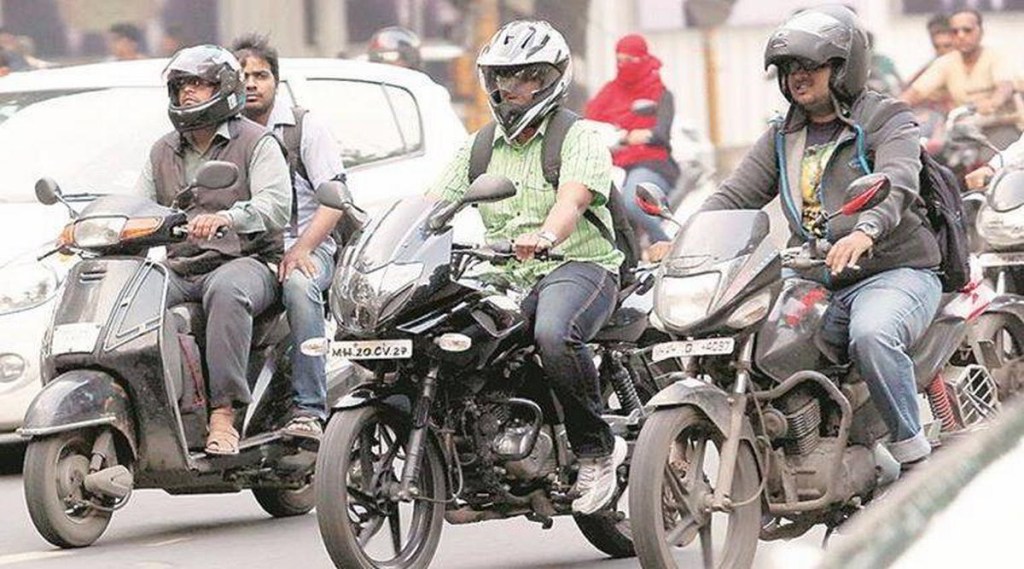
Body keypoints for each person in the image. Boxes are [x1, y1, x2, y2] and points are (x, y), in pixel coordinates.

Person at [698, 6, 940, 467]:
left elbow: (899, 180)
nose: (798, 76)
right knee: (744, 337)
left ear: (844, 68)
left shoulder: (886, 118)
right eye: (789, 67)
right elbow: (735, 195)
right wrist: (686, 238)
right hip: (814, 274)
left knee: (871, 335)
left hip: (892, 269)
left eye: (810, 65)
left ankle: (912, 453)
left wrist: (866, 230)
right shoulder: (783, 134)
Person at [428, 20, 627, 514]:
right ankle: (473, 450)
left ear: (550, 79)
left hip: (578, 264)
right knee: (441, 334)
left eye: (525, 76)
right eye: (502, 76)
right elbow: (432, 205)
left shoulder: (577, 137)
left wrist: (545, 236)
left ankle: (596, 449)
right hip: (506, 276)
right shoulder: (479, 147)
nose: (510, 87)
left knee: (554, 333)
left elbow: (572, 201)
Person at [135, 45, 292, 455]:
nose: (188, 92)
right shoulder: (161, 150)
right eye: (181, 85)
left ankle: (224, 412)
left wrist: (228, 218)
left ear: (223, 88)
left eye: (199, 84)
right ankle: (148, 404)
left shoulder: (257, 142)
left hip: (247, 261)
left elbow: (276, 206)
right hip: (183, 265)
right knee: (133, 294)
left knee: (227, 291)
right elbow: (139, 207)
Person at [231, 33, 347, 438]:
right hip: (251, 256)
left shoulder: (304, 128)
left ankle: (308, 409)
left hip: (308, 248)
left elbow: (335, 201)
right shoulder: (227, 132)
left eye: (260, 75)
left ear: (276, 81)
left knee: (299, 286)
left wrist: (302, 248)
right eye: (243, 76)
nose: (251, 84)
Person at [584, 34, 679, 245]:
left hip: (650, 163)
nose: (623, 66)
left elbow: (660, 134)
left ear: (643, 59)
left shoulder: (660, 94)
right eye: (619, 60)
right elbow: (588, 121)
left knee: (632, 202)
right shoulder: (609, 92)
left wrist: (632, 137)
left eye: (630, 60)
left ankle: (666, 244)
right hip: (610, 162)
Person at [902, 9, 1020, 148]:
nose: (961, 36)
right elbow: (915, 93)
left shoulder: (995, 58)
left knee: (994, 159)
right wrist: (891, 110)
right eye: (955, 32)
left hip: (1003, 127)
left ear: (980, 32)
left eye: (967, 30)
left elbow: (1005, 86)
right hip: (966, 130)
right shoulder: (946, 62)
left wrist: (993, 102)